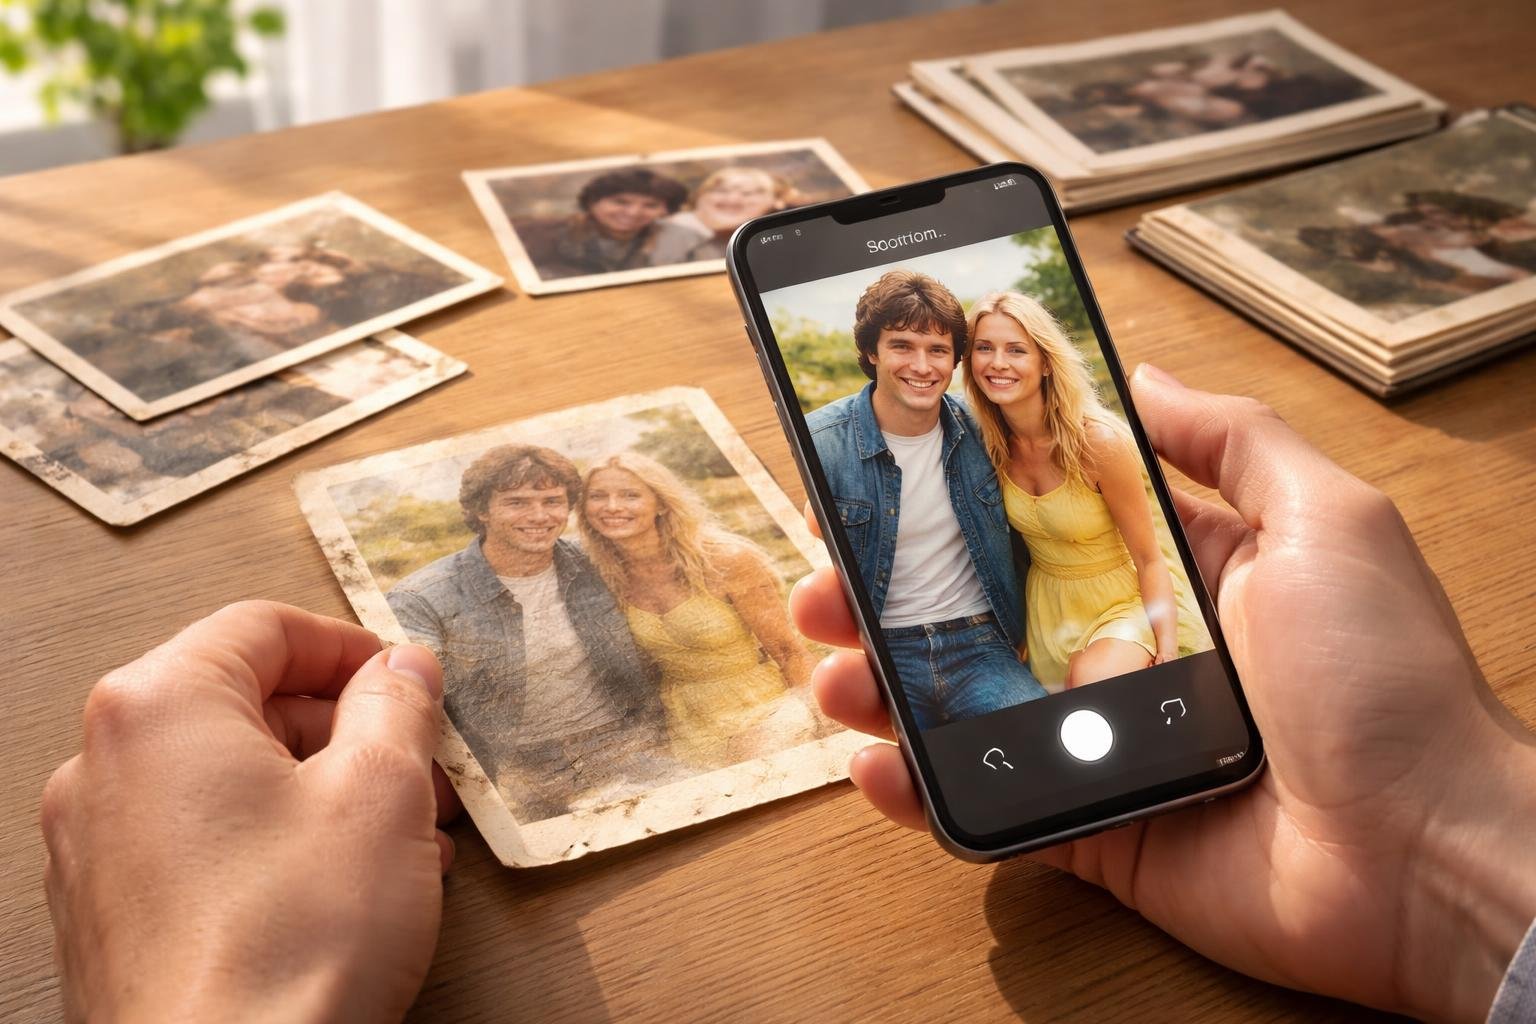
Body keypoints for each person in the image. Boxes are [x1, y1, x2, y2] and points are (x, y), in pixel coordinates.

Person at [38, 369, 1536, 1022]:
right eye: (562, 497)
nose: (582, 513)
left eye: (600, 495)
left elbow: (781, 660)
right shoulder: (462, 598)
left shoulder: (718, 564)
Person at [805, 269, 1047, 729]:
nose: (922, 366)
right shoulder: (822, 441)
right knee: (932, 780)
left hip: (982, 642)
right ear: (870, 351)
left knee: (1041, 743)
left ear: (955, 360)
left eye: (937, 350)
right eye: (902, 346)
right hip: (888, 651)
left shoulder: (985, 428)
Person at [386, 443, 668, 822]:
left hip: (628, 744)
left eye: (552, 501)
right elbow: (417, 705)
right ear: (481, 510)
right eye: (517, 502)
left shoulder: (598, 561)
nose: (539, 516)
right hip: (517, 769)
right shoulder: (422, 597)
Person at [962, 290, 1209, 690]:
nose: (998, 363)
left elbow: (1149, 557)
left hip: (1121, 600)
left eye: (1016, 350)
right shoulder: (987, 446)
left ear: (1045, 362)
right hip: (1048, 611)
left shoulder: (1098, 443)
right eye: (984, 348)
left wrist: (1167, 650)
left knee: (1096, 680)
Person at [577, 452, 818, 768]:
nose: (612, 507)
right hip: (687, 723)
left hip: (764, 707)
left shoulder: (727, 560)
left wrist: (821, 720)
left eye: (630, 495)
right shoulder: (607, 577)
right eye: (598, 496)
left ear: (661, 504)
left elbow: (790, 653)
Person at [512, 168, 698, 279]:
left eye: (651, 205)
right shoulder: (537, 234)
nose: (633, 213)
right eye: (620, 202)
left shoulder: (675, 240)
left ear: (666, 211)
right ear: (593, 202)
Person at [661, 166, 799, 261]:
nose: (732, 200)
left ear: (778, 202)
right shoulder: (667, 232)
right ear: (698, 197)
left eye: (748, 193)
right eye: (721, 191)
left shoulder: (775, 243)